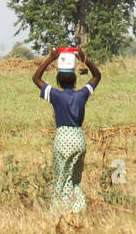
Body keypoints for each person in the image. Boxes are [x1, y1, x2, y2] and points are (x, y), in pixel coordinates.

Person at [32, 48, 102, 213]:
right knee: (74, 179)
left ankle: (59, 212)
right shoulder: (81, 95)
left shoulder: (56, 96)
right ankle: (78, 209)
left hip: (63, 139)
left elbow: (36, 78)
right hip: (79, 139)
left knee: (61, 178)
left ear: (58, 81)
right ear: (75, 79)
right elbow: (97, 76)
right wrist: (86, 60)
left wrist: (50, 58)